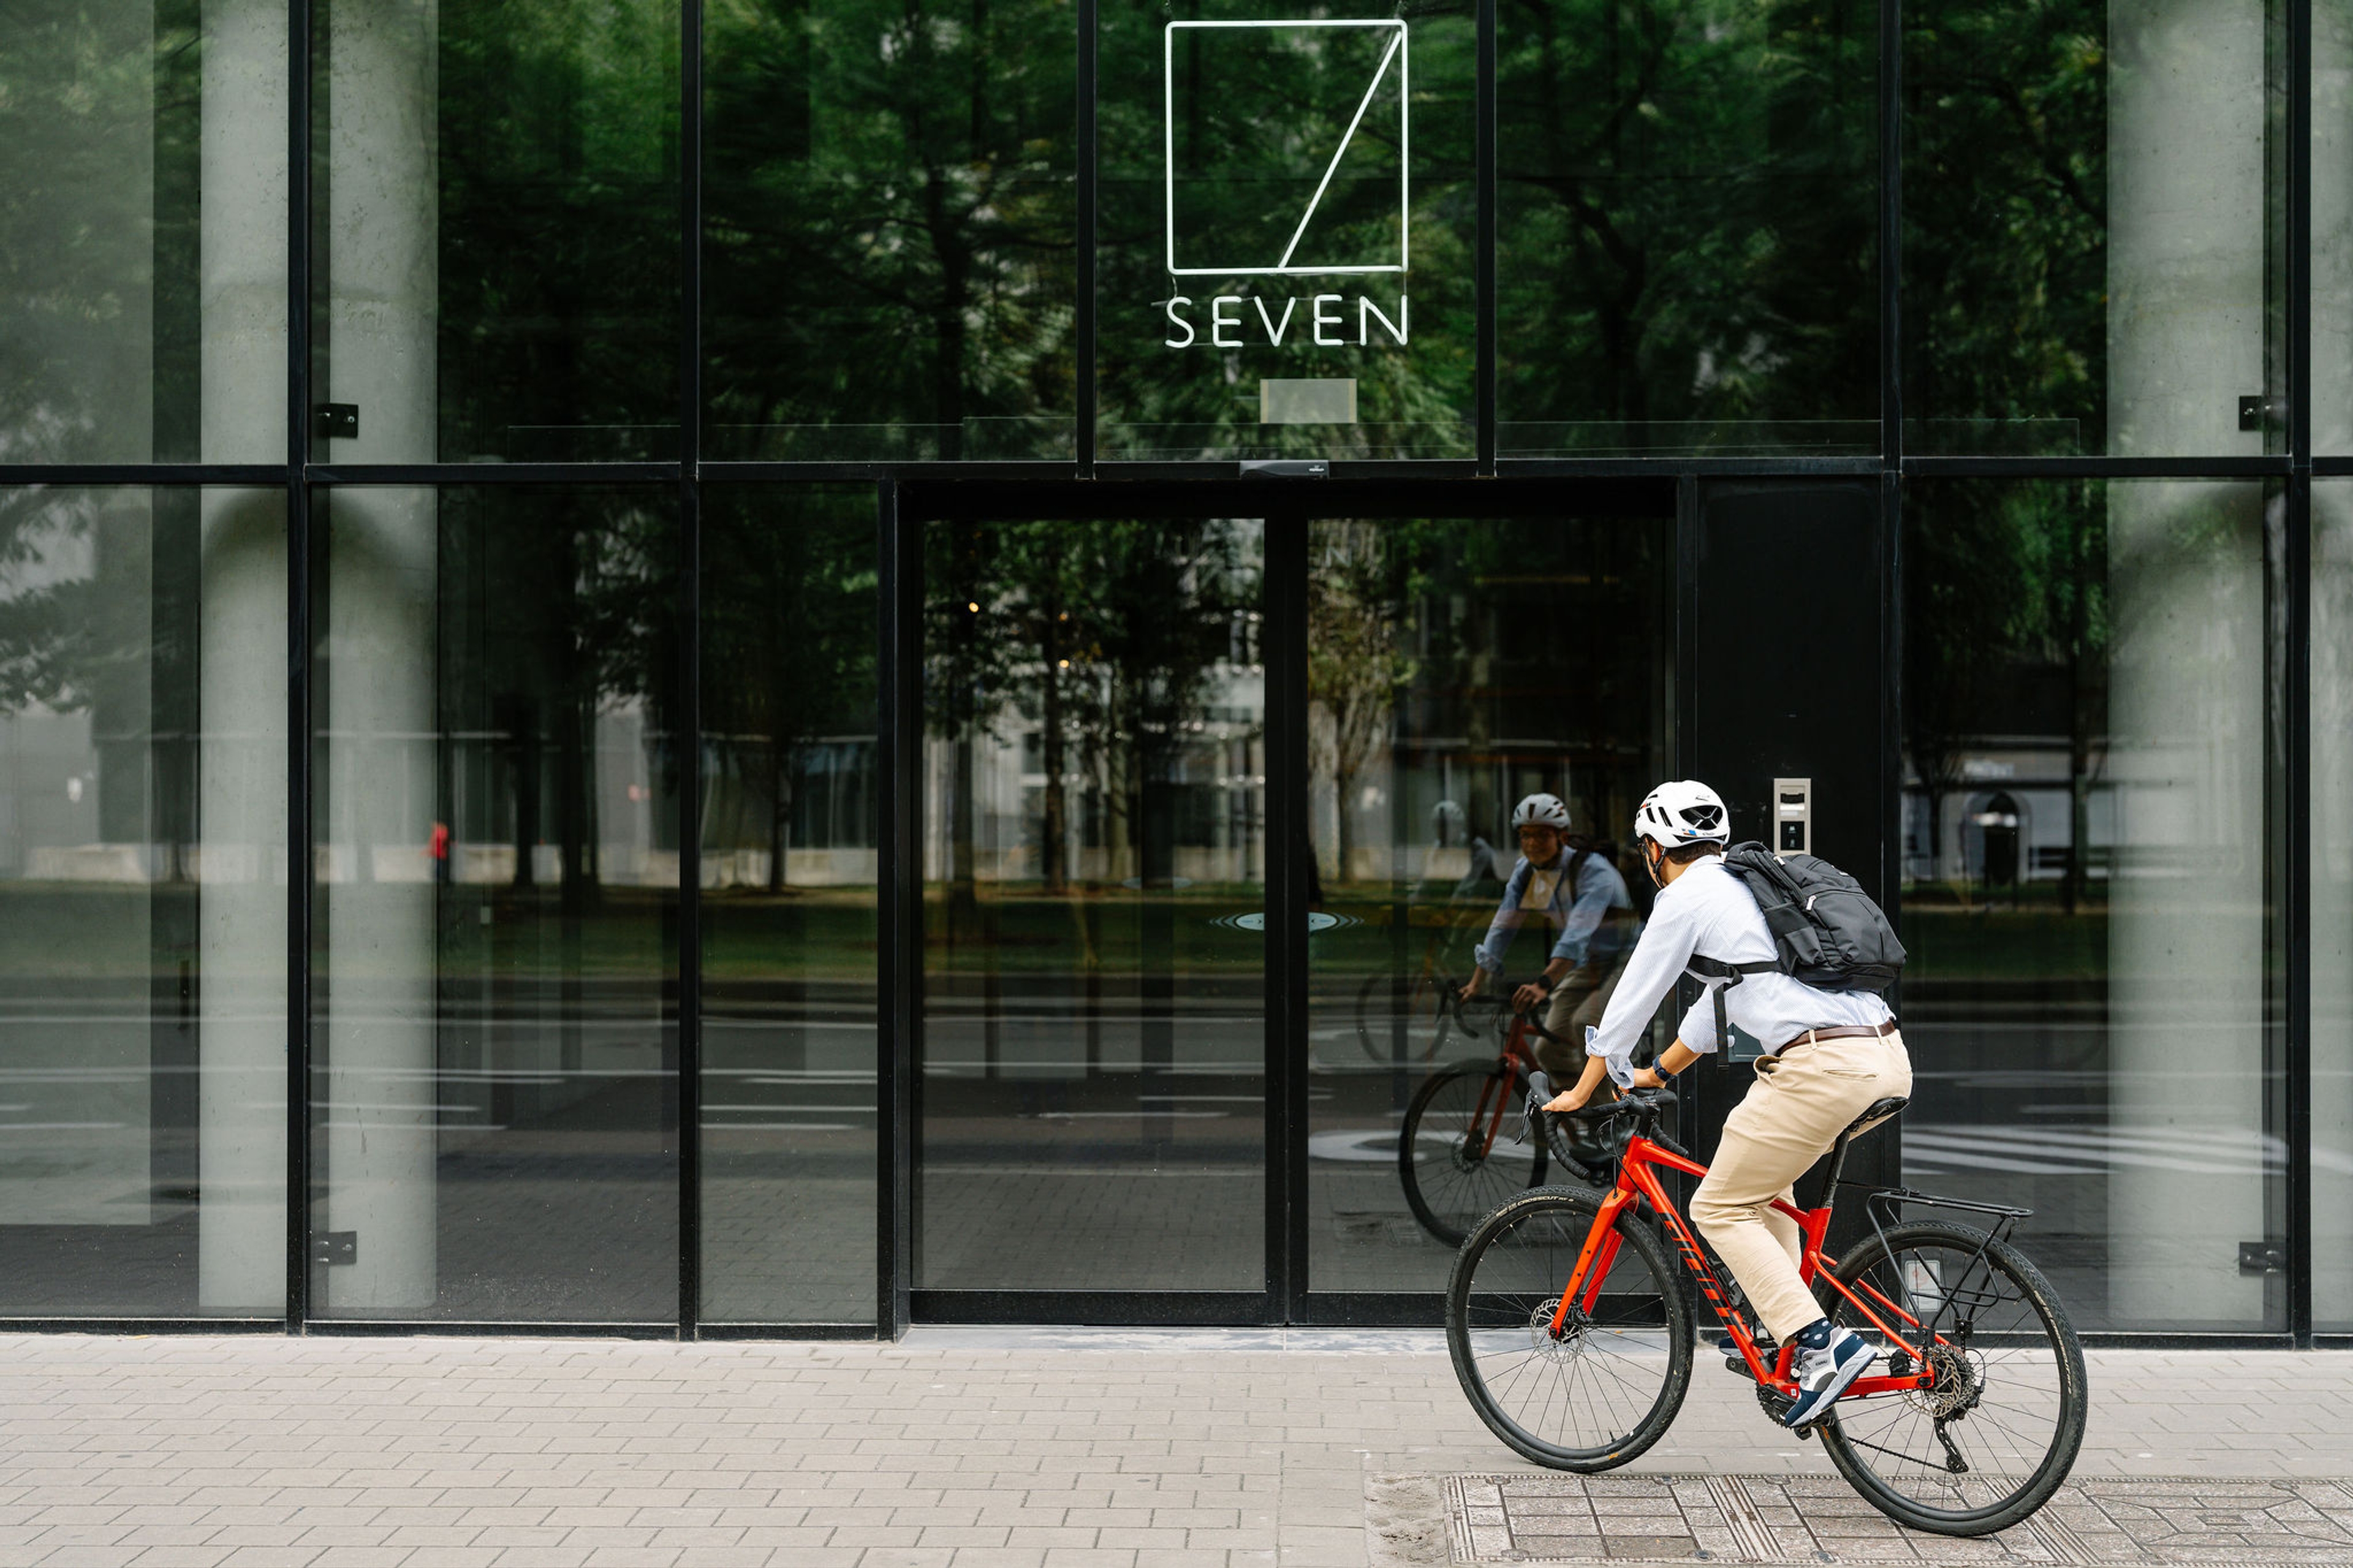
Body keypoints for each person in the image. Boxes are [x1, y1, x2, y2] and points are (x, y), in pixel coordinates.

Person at [1540, 779, 1912, 1430]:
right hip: (1883, 1058)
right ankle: (1786, 1337)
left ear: (1655, 849)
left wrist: (1584, 1084)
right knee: (1767, 1196)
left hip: (1820, 1068)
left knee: (1717, 1204)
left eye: (1645, 851)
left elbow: (1634, 994)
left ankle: (1821, 1347)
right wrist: (1657, 1072)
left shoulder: (1688, 895)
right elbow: (1723, 1005)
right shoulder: (1747, 886)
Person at [1456, 792, 1640, 1085]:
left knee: (1585, 1024)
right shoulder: (1527, 871)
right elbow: (1504, 925)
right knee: (1548, 1048)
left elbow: (1575, 936)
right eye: (1525, 836)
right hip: (1587, 962)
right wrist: (1477, 982)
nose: (1532, 843)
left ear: (1562, 837)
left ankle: (1610, 1122)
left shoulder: (1595, 872)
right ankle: (1581, 1115)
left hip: (1627, 958)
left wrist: (1543, 984)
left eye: (1542, 835)